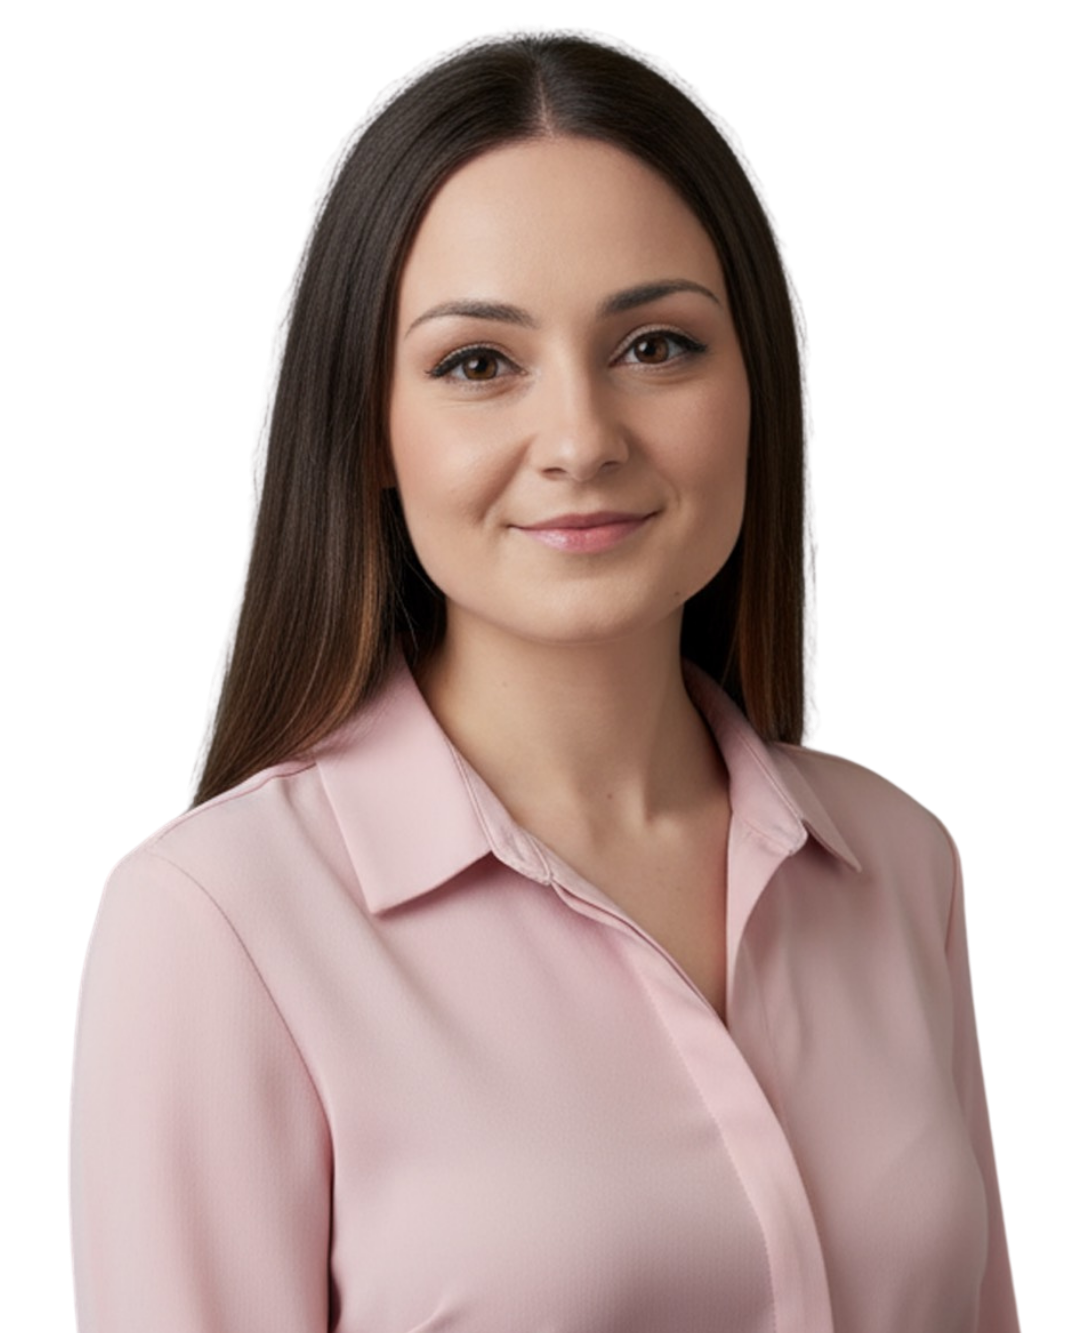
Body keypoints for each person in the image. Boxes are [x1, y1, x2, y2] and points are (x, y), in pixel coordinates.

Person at [68, 28, 1021, 1334]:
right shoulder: (216, 922)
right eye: (478, 364)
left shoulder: (905, 864)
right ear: (371, 433)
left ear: (756, 385)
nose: (579, 438)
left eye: (656, 346)